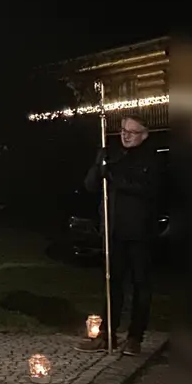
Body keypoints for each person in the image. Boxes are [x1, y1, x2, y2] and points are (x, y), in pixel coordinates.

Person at [76, 114, 166, 356]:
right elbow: (90, 185)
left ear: (144, 134)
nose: (126, 135)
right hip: (114, 230)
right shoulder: (114, 155)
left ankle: (135, 337)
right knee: (111, 283)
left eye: (132, 132)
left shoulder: (153, 159)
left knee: (140, 286)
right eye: (123, 130)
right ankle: (107, 334)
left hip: (140, 234)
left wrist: (113, 176)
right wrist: (99, 163)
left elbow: (145, 188)